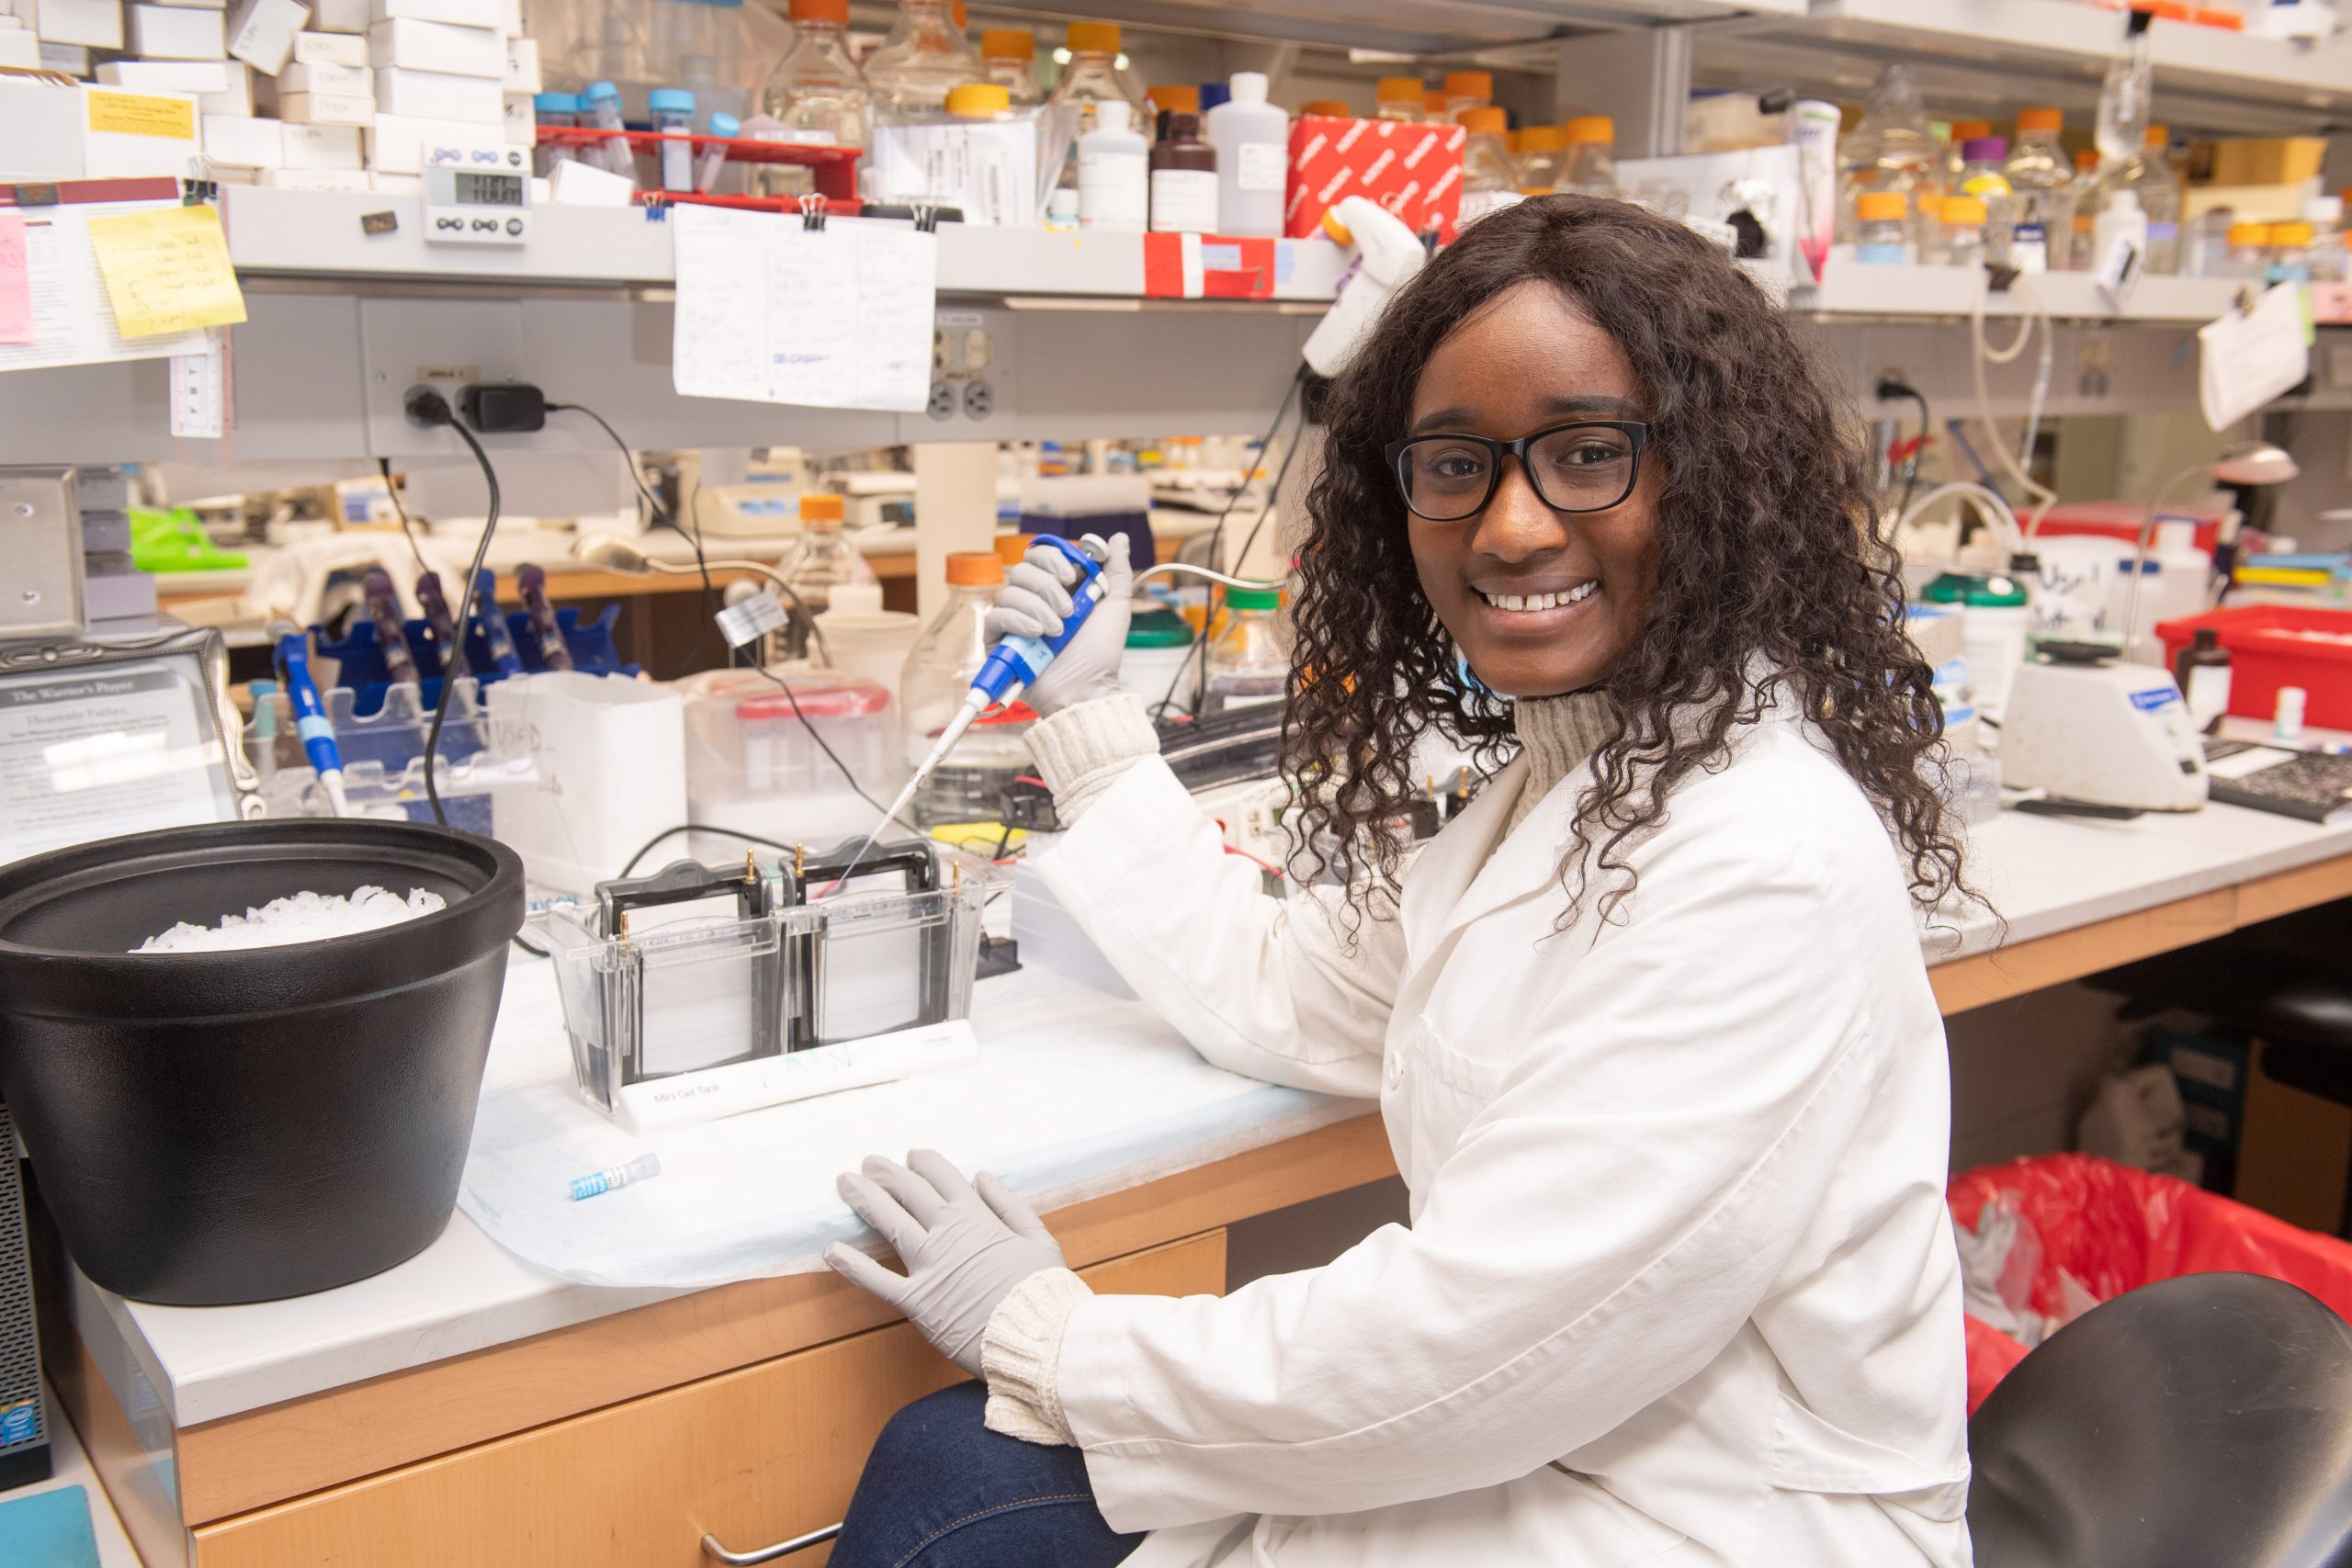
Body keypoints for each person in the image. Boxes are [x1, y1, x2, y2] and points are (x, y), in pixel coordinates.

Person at [821, 195, 1978, 1567]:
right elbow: (1293, 988)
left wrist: (1056, 1336)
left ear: (1715, 478)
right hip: (1551, 1460)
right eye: (1454, 467)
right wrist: (1088, 724)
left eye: (1589, 455)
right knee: (951, 1469)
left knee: (957, 1482)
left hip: (1704, 1518)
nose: (1509, 528)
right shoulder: (1568, 786)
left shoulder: (1760, 858)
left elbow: (1480, 1346)